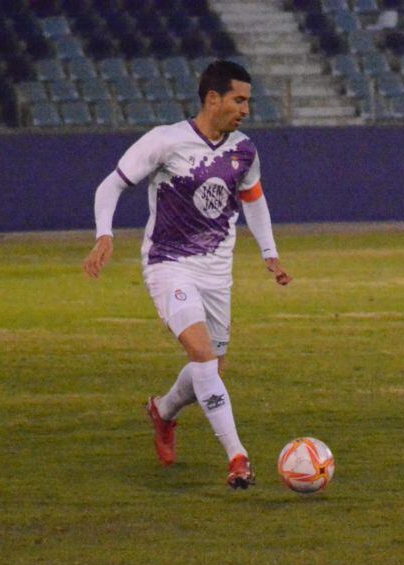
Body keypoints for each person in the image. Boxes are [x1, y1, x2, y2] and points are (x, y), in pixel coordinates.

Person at [83, 60, 292, 486]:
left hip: (217, 272)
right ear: (212, 98)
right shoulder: (165, 142)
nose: (246, 110)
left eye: (248, 101)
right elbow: (112, 185)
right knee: (202, 354)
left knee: (212, 365)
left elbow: (254, 200)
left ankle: (163, 411)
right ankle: (238, 457)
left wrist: (269, 253)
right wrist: (104, 234)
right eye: (239, 100)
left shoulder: (244, 150)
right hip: (169, 263)